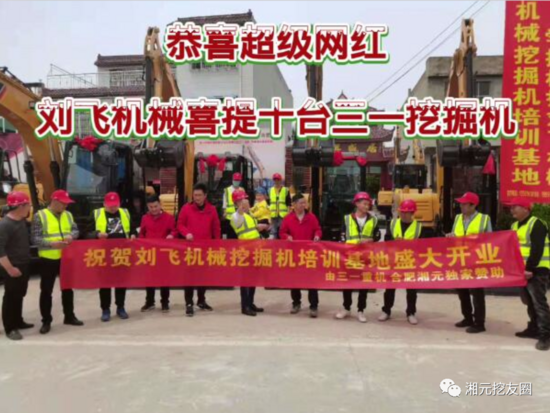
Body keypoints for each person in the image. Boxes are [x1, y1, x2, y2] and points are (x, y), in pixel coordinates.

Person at [31, 190, 84, 334]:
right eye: (63, 203)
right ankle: (46, 321)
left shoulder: (68, 215)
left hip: (66, 258)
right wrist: (51, 244)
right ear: (54, 201)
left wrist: (71, 236)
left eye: (67, 204)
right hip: (48, 259)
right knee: (46, 291)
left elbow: (75, 230)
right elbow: (35, 238)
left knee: (67, 288)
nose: (65, 206)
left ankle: (69, 316)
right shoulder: (40, 216)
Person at [507, 197, 550, 351]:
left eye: (515, 207)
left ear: (526, 209)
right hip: (522, 271)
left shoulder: (536, 224)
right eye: (511, 207)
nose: (511, 210)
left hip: (536, 270)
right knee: (529, 301)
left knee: (539, 303)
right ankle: (533, 328)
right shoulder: (514, 225)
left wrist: (529, 269)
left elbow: (537, 249)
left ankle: (545, 335)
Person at [449, 192, 492, 334]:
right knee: (462, 291)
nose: (461, 206)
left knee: (477, 292)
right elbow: (455, 235)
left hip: (476, 261)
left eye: (464, 204)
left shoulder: (484, 219)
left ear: (473, 205)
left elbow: (490, 241)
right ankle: (467, 318)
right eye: (460, 203)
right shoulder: (458, 218)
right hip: (460, 260)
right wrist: (450, 236)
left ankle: (479, 323)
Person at [378, 199, 426, 325]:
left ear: (412, 213)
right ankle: (386, 310)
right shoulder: (393, 223)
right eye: (402, 212)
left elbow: (423, 246)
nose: (404, 214)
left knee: (411, 290)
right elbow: (387, 240)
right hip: (394, 261)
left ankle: (411, 313)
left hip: (410, 262)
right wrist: (395, 242)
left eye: (407, 212)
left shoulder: (419, 227)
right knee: (390, 288)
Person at [335, 192, 380, 323]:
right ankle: (346, 308)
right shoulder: (347, 219)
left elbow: (377, 236)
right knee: (347, 283)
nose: (367, 206)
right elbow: (342, 237)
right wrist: (354, 244)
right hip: (350, 256)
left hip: (366, 256)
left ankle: (361, 310)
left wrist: (371, 239)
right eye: (364, 204)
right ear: (357, 204)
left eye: (368, 204)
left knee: (363, 284)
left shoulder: (373, 220)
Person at [177, 183, 221, 317]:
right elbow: (180, 224)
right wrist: (186, 233)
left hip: (205, 249)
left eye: (199, 195)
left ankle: (201, 300)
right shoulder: (186, 208)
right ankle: (189, 303)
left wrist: (217, 244)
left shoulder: (211, 210)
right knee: (189, 276)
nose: (197, 198)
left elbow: (216, 228)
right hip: (190, 249)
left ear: (205, 195)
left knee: (203, 276)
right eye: (195, 195)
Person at [91, 192, 136, 322]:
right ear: (104, 204)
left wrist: (133, 234)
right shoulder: (96, 214)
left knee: (121, 282)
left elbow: (132, 229)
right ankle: (105, 309)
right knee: (105, 283)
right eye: (110, 205)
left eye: (115, 205)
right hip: (103, 254)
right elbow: (86, 231)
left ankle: (120, 307)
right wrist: (97, 234)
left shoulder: (125, 213)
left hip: (122, 253)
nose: (113, 208)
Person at [280, 193, 322, 318]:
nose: (304, 205)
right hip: (294, 254)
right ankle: (296, 303)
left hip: (309, 254)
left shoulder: (311, 217)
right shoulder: (288, 218)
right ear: (294, 204)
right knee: (295, 281)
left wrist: (317, 236)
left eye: (305, 202)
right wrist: (287, 237)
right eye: (301, 203)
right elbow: (282, 232)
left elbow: (318, 229)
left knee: (312, 281)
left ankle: (313, 306)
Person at [0, 192, 32, 341]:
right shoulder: (5, 225)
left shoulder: (21, 220)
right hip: (12, 265)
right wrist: (10, 269)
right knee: (11, 296)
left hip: (24, 263)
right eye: (28, 205)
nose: (29, 207)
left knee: (20, 293)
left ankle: (18, 320)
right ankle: (10, 328)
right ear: (20, 206)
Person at [230, 190, 268, 316]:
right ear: (236, 203)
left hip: (255, 250)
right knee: (245, 280)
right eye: (241, 201)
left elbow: (252, 229)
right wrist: (241, 209)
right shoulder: (235, 216)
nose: (244, 202)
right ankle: (245, 306)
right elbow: (238, 219)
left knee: (253, 279)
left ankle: (250, 303)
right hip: (245, 252)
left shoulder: (249, 215)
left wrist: (261, 226)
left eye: (245, 199)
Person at [139, 195, 176, 313]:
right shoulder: (145, 218)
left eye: (155, 206)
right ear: (147, 207)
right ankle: (149, 302)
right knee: (149, 279)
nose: (154, 209)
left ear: (160, 205)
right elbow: (142, 234)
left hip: (164, 253)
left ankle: (165, 302)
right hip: (150, 253)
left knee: (164, 279)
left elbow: (174, 230)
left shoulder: (169, 218)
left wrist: (171, 235)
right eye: (151, 207)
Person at [268, 173, 291, 239]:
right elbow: (269, 203)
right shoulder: (270, 190)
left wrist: (288, 213)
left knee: (282, 231)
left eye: (278, 179)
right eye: (275, 180)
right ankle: (273, 244)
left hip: (282, 215)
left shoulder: (285, 190)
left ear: (281, 180)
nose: (276, 181)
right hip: (273, 214)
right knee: (273, 231)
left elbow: (288, 202)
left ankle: (282, 243)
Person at [222, 172, 244, 239]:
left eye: (238, 180)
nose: (236, 182)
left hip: (239, 215)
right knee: (230, 236)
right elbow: (224, 203)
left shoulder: (242, 190)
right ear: (232, 180)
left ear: (240, 181)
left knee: (239, 235)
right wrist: (224, 211)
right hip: (230, 217)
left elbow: (244, 202)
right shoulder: (227, 190)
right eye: (235, 180)